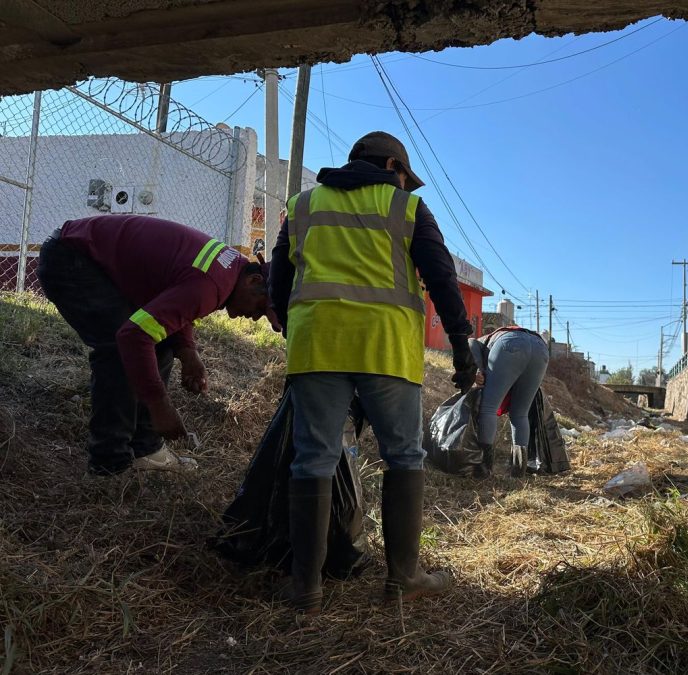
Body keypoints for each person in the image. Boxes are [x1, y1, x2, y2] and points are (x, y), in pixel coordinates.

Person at [269, 131, 477, 614]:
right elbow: (441, 276)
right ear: (391, 167)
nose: (407, 187)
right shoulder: (405, 208)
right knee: (403, 456)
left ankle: (306, 588)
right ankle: (403, 576)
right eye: (405, 178)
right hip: (385, 349)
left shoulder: (302, 206)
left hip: (317, 345)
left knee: (313, 461)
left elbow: (280, 276)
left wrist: (293, 327)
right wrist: (462, 346)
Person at [36, 215, 273, 476]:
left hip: (89, 257)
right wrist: (159, 405)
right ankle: (109, 462)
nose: (254, 317)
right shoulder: (212, 286)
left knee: (159, 345)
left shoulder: (230, 268)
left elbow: (174, 294)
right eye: (261, 309)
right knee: (118, 350)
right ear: (254, 281)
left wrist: (188, 352)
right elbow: (133, 337)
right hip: (72, 258)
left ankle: (145, 451)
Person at [469, 327, 550, 477]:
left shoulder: (480, 342)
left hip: (511, 345)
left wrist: (477, 370)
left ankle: (483, 469)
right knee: (520, 414)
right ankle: (518, 471)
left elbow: (470, 342)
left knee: (488, 408)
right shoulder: (495, 338)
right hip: (541, 348)